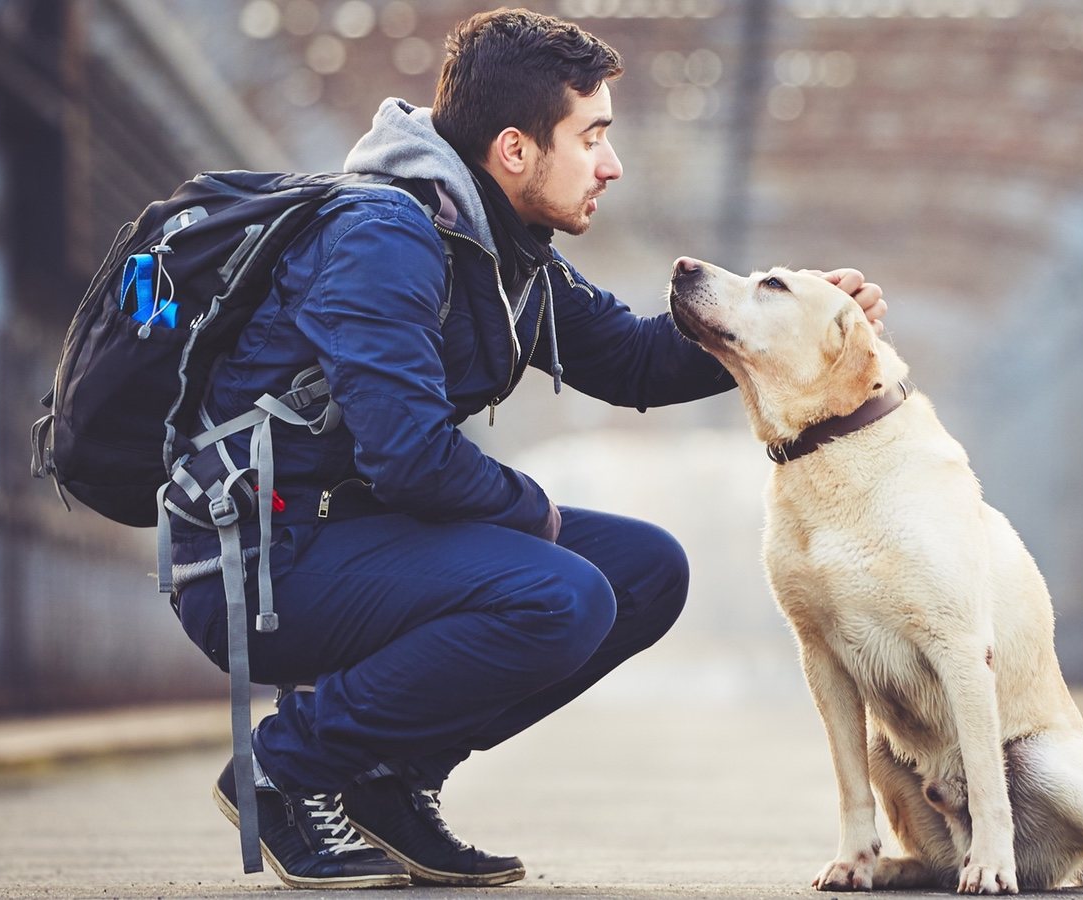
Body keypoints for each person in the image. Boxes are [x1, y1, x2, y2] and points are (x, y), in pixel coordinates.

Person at [175, 7, 889, 890]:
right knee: (560, 595)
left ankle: (390, 781)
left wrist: (770, 326)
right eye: (592, 136)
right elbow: (410, 457)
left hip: (363, 537)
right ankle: (285, 767)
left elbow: (630, 358)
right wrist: (537, 514)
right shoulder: (382, 238)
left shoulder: (508, 253)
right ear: (515, 149)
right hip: (264, 562)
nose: (611, 164)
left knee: (646, 571)